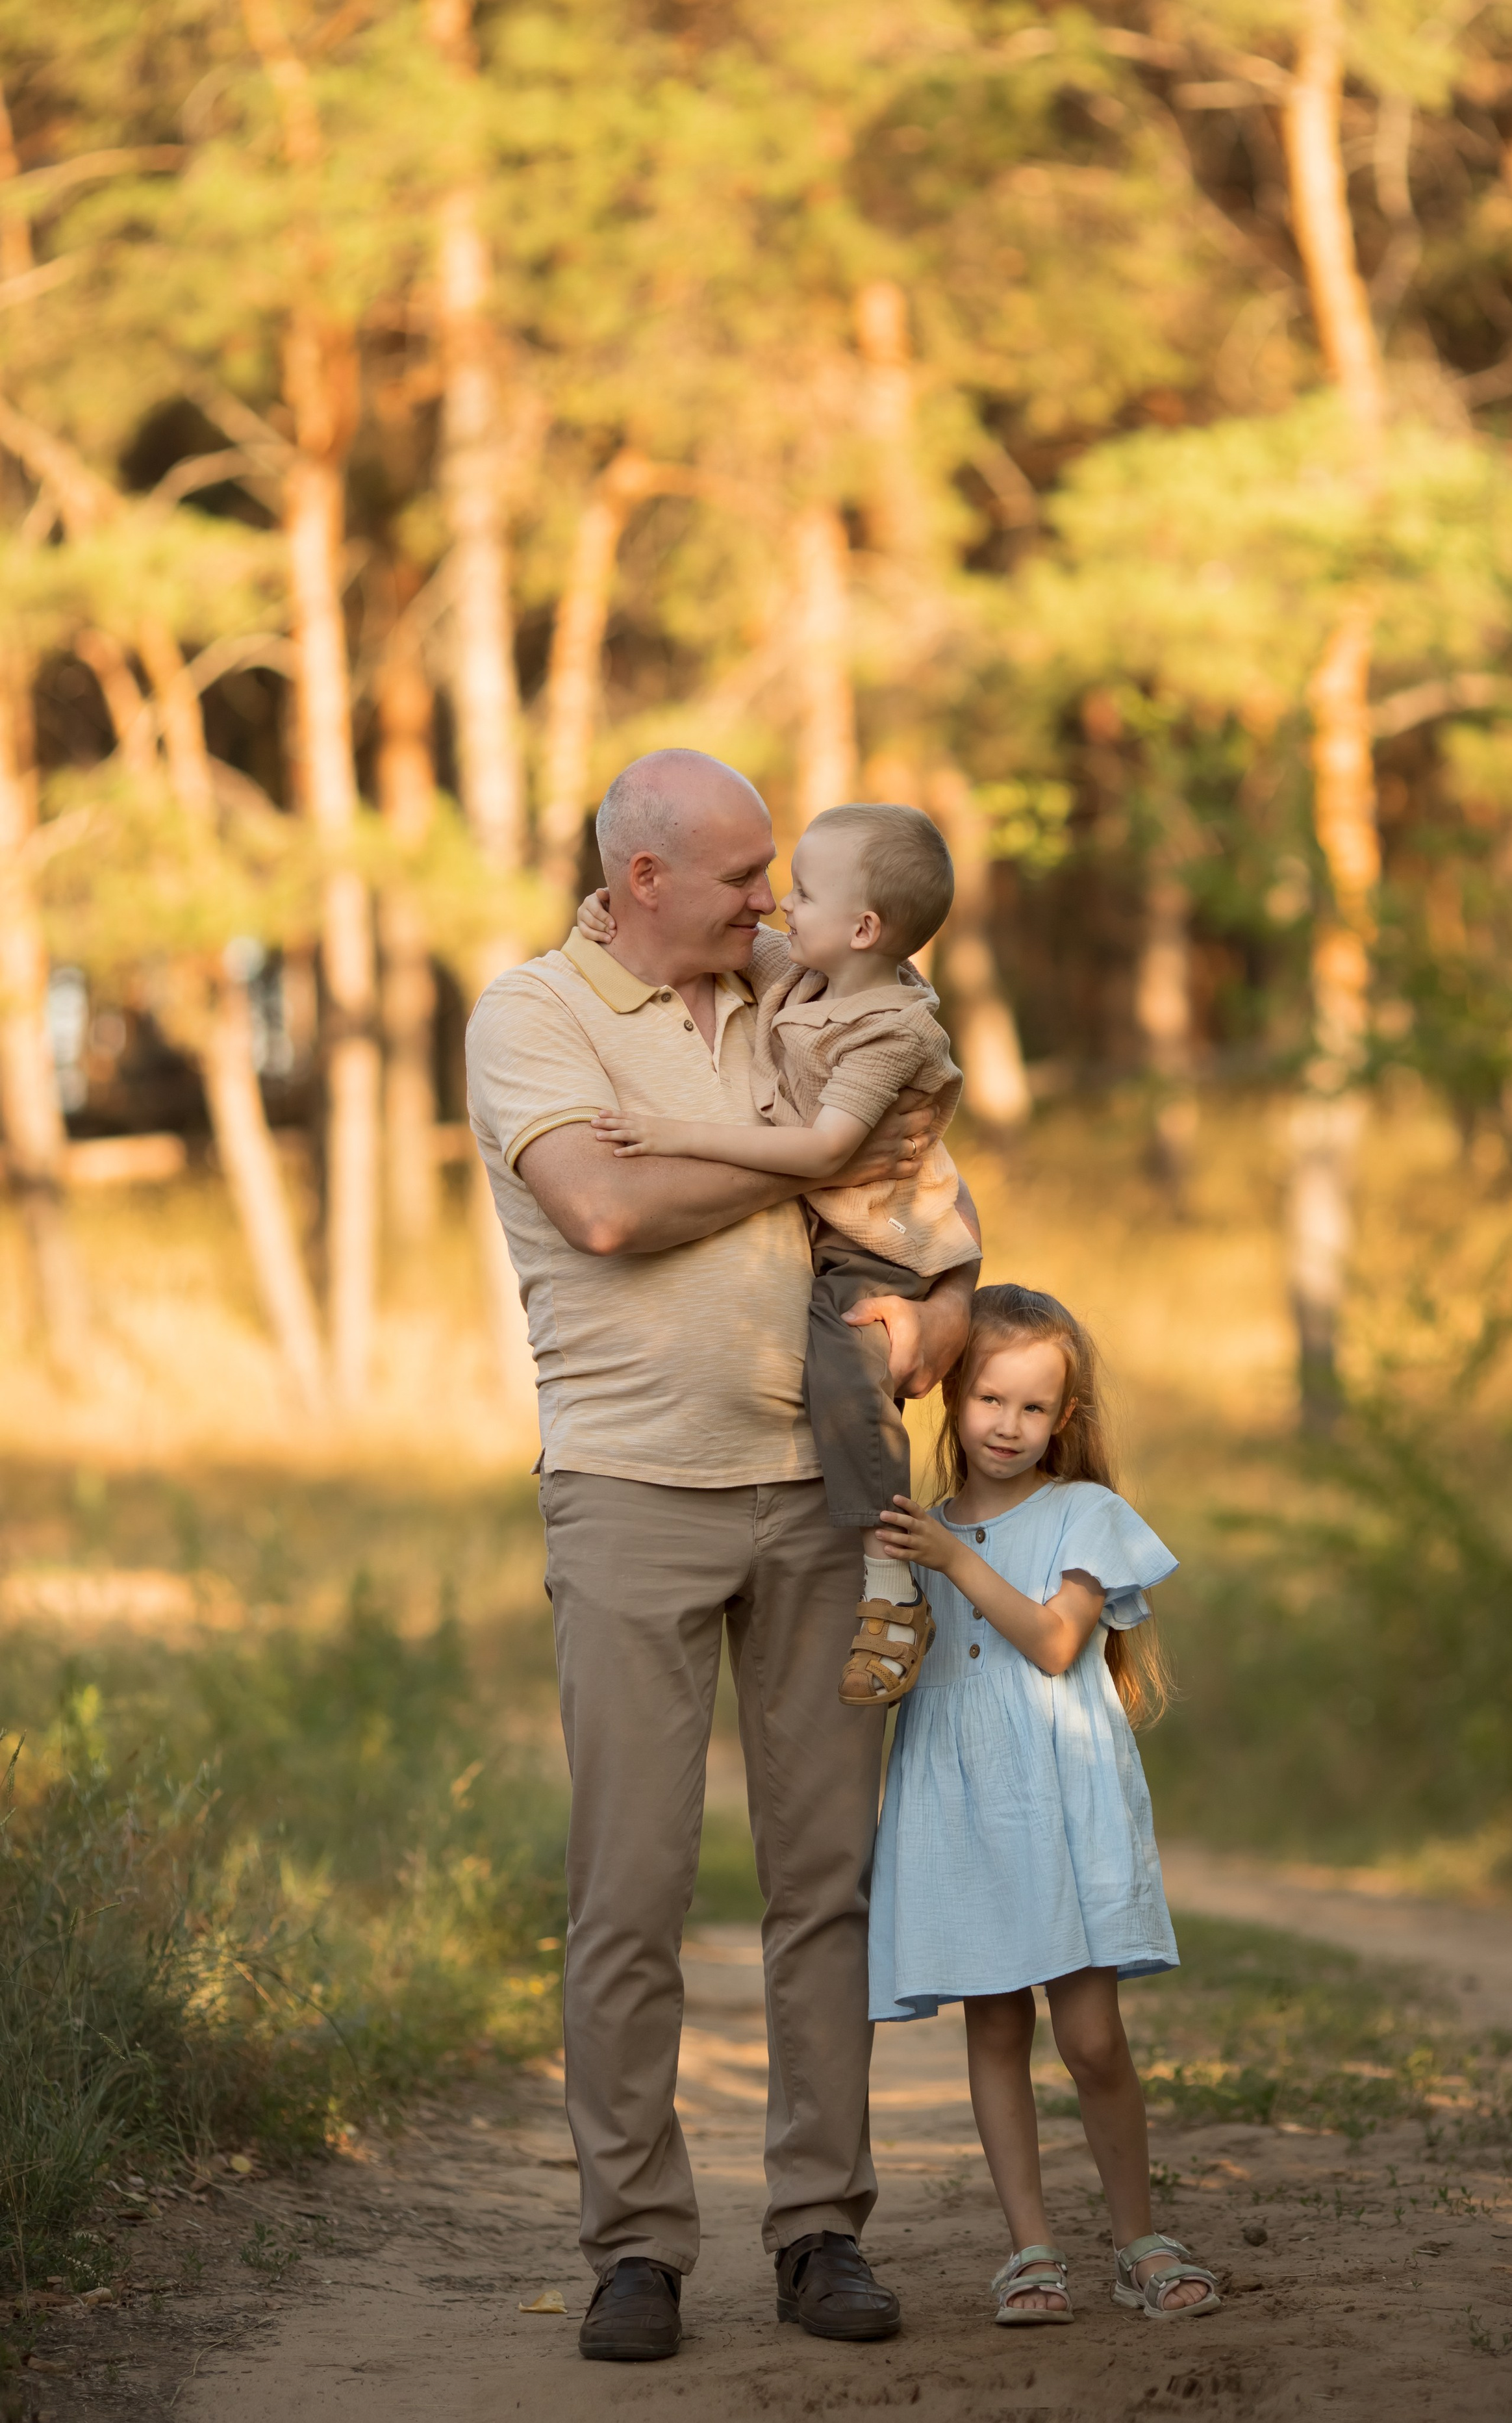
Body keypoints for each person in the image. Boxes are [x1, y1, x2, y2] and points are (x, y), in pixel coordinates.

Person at [464, 748, 978, 2364]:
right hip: (631, 1488)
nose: (769, 897)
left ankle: (821, 2225)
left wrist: (931, 1323)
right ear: (641, 881)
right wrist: (805, 1161)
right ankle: (634, 2246)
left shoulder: (816, 985)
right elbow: (596, 1212)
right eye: (743, 875)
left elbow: (940, 1235)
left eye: (778, 873)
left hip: (826, 1494)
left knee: (822, 1883)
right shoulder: (530, 1013)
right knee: (630, 1886)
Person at [868, 1284, 1224, 2326]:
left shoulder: (1083, 1514)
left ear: (1062, 1418)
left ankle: (1138, 2236)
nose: (1009, 1426)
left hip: (1058, 1800)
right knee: (993, 2029)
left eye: (1033, 1407)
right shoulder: (918, 1531)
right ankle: (1030, 2249)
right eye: (989, 1399)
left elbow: (1058, 1641)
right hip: (961, 1797)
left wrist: (952, 1562)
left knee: (1092, 2037)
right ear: (951, 1400)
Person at [576, 801, 981, 1710]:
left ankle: (893, 1571)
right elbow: (689, 938)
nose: (776, 907)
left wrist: (672, 1133)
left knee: (842, 1355)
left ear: (865, 928)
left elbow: (828, 1151)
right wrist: (601, 914)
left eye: (800, 890)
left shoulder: (888, 1030)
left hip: (882, 1240)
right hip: (839, 1232)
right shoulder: (806, 973)